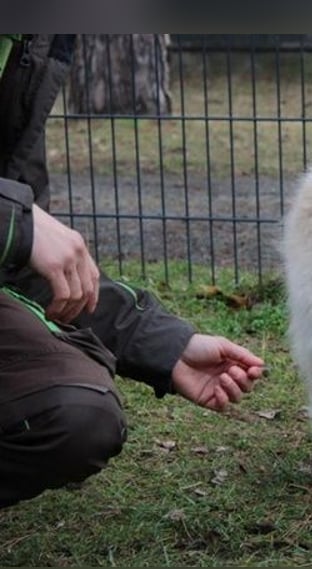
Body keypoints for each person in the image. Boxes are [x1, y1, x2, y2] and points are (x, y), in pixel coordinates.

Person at [0, 34, 265, 508]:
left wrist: (166, 346)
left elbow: (19, 268)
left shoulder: (34, 45)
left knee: (79, 414)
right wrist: (11, 221)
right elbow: (18, 231)